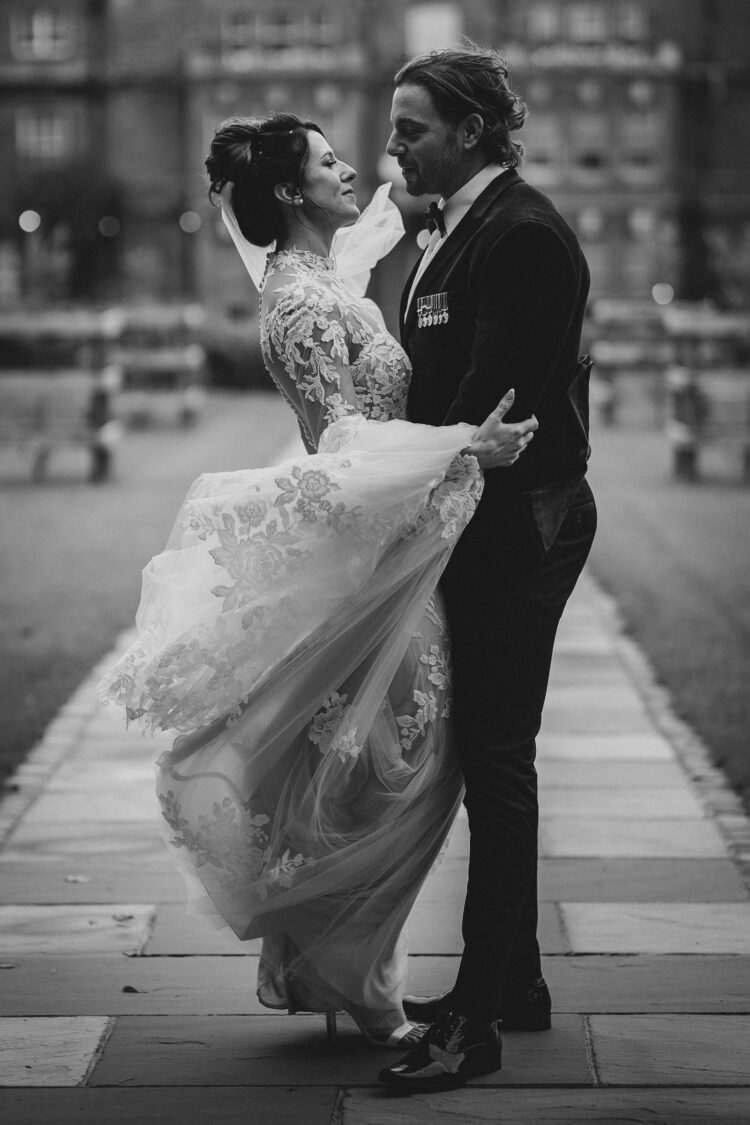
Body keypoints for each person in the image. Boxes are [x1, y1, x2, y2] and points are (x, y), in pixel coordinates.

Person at [97, 113, 537, 1050]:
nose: (352, 169)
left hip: (393, 550)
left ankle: (342, 969)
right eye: (329, 162)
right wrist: (467, 447)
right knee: (392, 770)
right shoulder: (299, 307)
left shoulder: (319, 281)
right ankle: (369, 990)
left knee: (378, 762)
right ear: (293, 194)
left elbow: (366, 238)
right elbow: (345, 446)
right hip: (366, 562)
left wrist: (412, 214)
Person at [378, 44, 597, 1092]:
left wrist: (381, 476)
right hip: (475, 513)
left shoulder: (523, 236)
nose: (391, 144)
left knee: (497, 760)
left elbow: (483, 402)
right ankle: (516, 983)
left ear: (469, 130)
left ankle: (477, 1023)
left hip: (522, 520)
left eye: (411, 125)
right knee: (488, 755)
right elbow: (438, 389)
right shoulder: (456, 228)